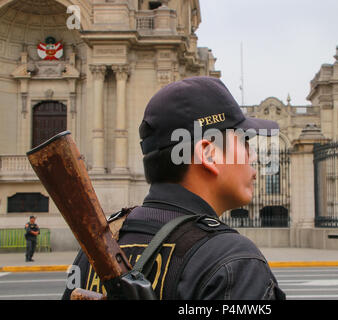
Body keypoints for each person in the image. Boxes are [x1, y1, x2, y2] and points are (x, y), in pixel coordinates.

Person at [62, 76, 286, 300]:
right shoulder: (234, 262)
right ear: (209, 154)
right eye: (245, 142)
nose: (254, 156)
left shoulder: (100, 244)